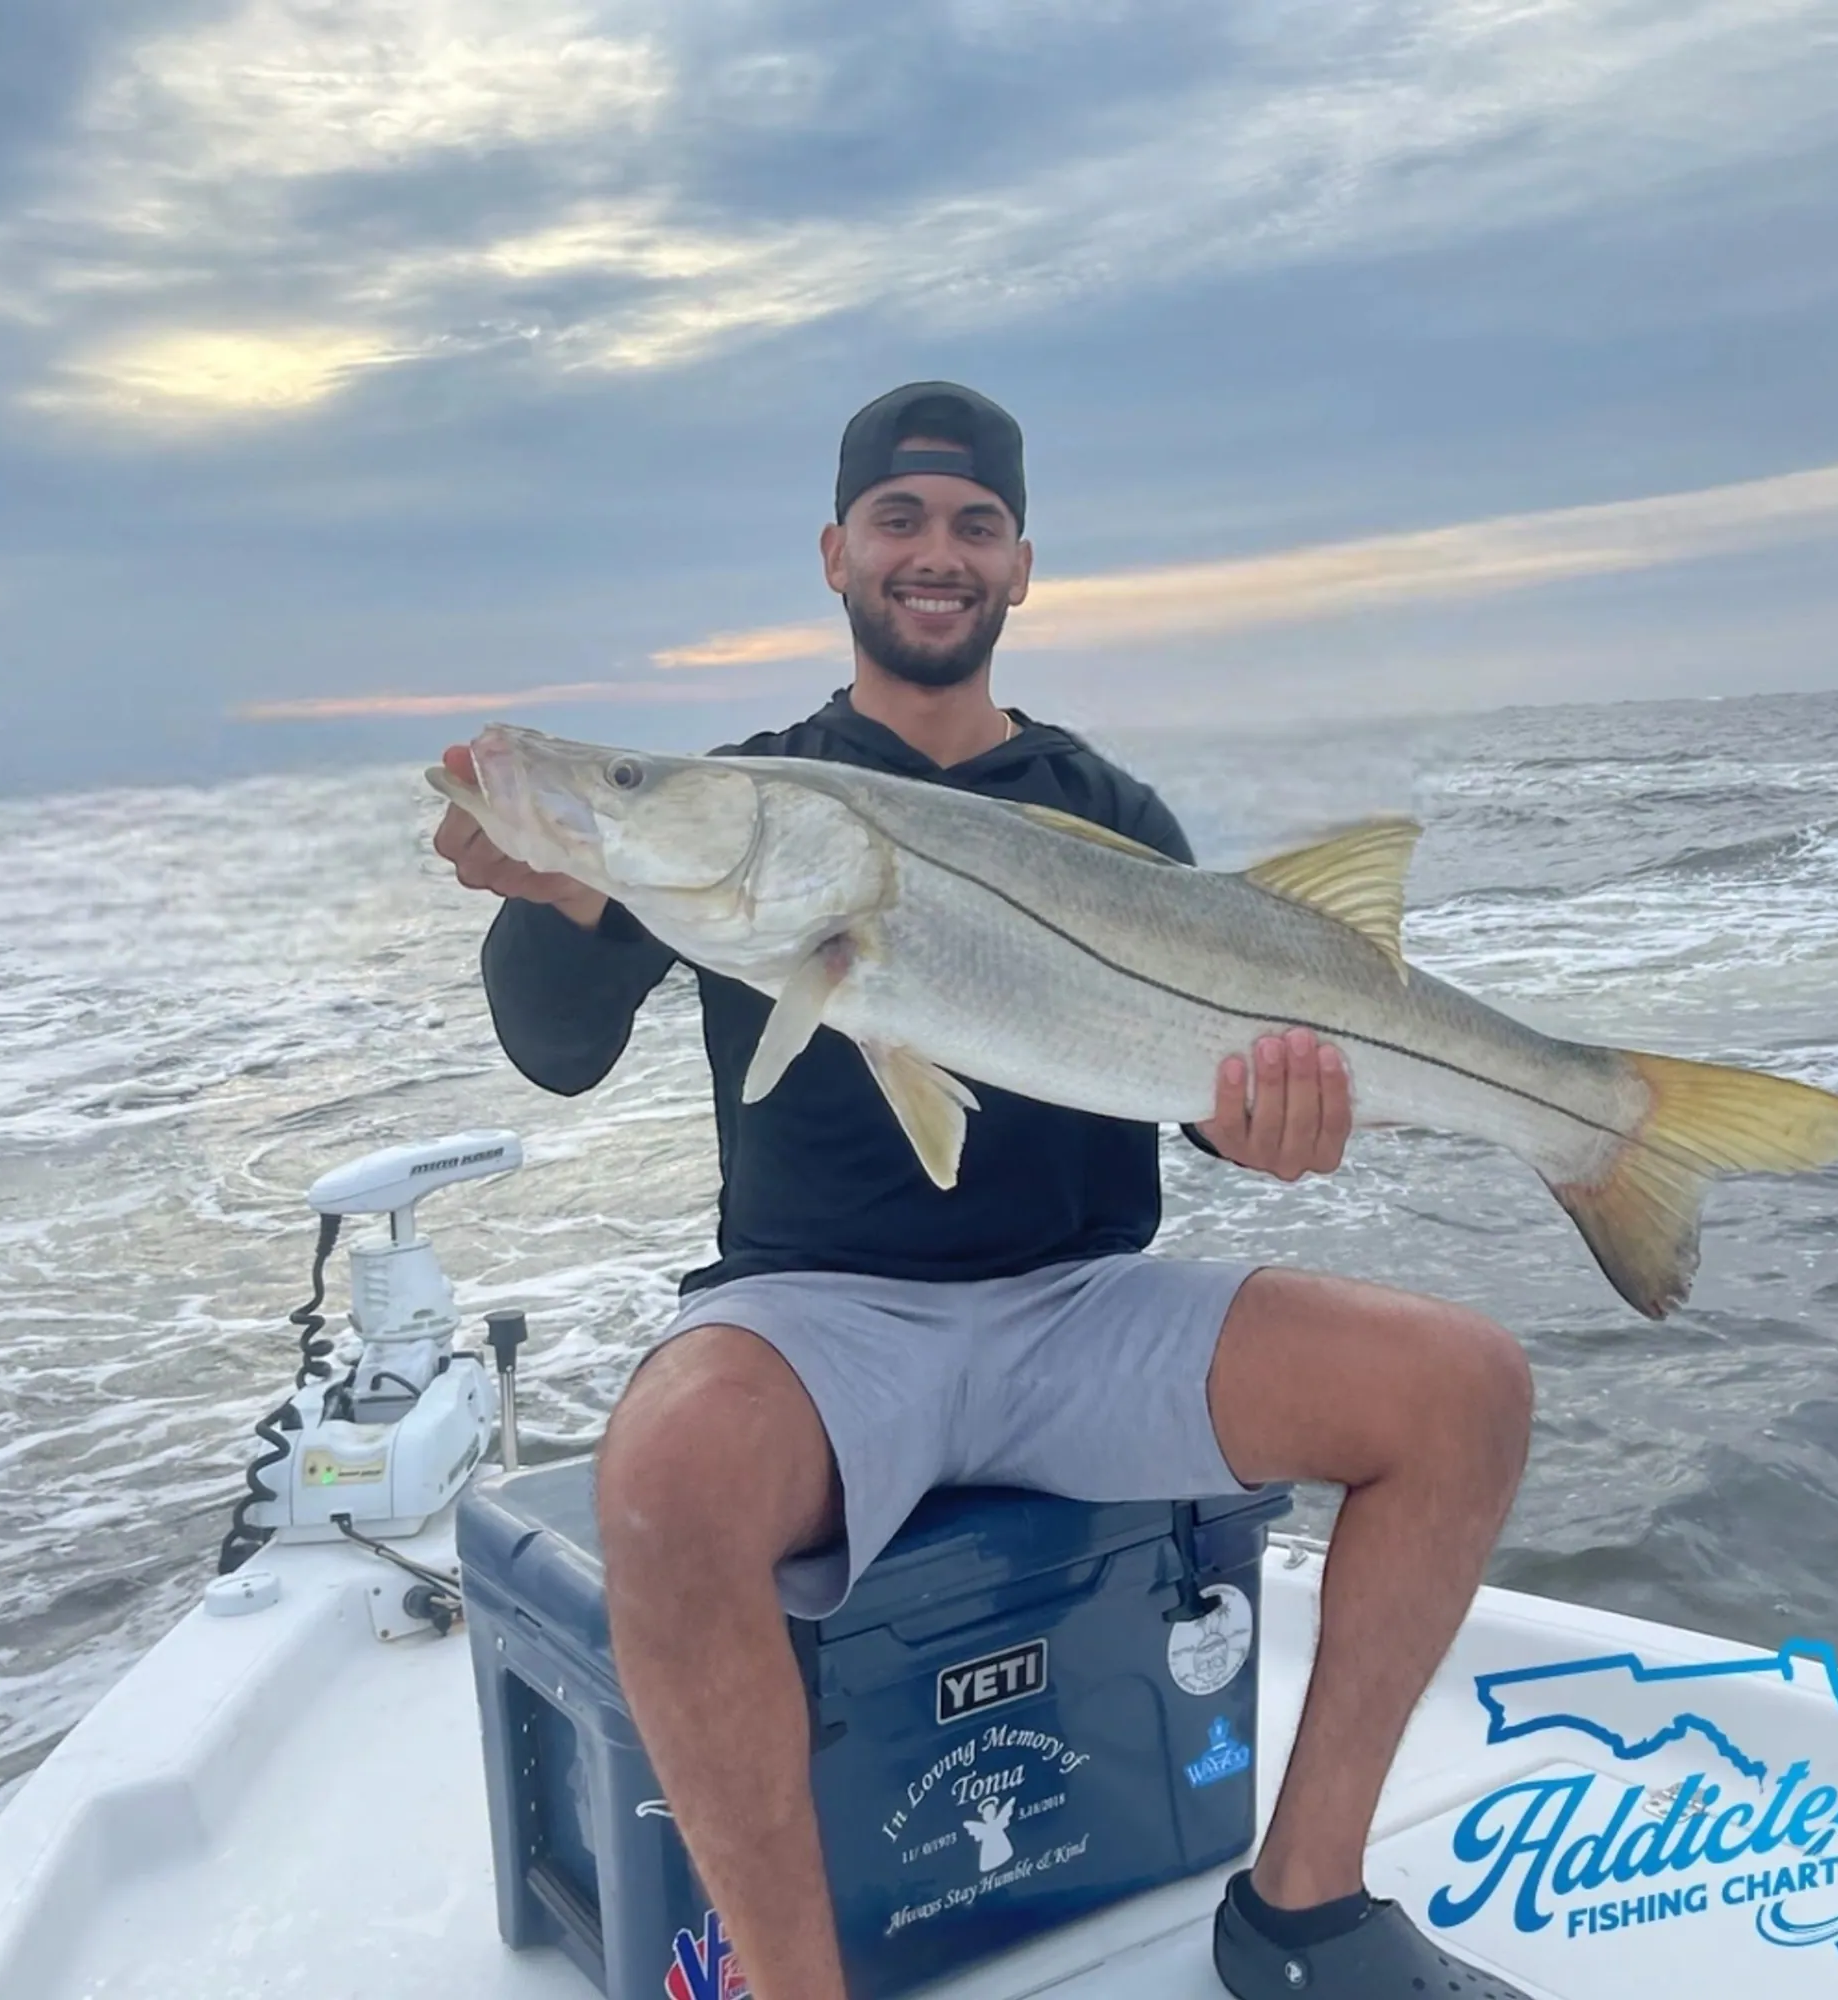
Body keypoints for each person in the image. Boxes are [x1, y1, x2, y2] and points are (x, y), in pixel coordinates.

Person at [433, 383, 1535, 2000]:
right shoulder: (755, 804)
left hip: (1084, 1310)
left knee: (1467, 1389)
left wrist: (1270, 1127)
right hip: (823, 1320)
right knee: (662, 1480)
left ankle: (1300, 1911)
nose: (934, 554)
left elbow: (1211, 1104)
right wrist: (564, 883)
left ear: (1021, 566)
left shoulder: (1112, 818)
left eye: (972, 525)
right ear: (835, 554)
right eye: (899, 519)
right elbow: (555, 1049)